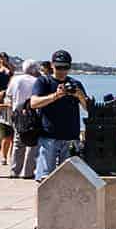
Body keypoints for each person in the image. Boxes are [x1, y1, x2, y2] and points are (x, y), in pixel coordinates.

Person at [28, 50, 91, 181]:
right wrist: (56, 96)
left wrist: (80, 95)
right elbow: (33, 103)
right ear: (52, 65)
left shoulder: (76, 84)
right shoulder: (43, 82)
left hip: (71, 137)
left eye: (65, 67)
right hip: (48, 137)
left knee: (69, 180)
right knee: (45, 179)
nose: (62, 71)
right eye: (59, 67)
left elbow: (88, 109)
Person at [5, 59, 42, 179]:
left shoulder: (15, 79)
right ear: (35, 69)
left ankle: (15, 170)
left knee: (18, 142)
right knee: (32, 143)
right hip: (32, 114)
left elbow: (9, 96)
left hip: (17, 113)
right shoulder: (36, 81)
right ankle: (28, 171)